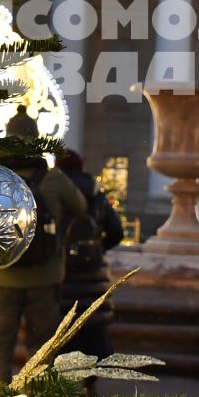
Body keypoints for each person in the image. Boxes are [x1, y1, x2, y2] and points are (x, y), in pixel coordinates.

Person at [0, 149, 87, 384]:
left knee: (0, 349)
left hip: (1, 277)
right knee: (41, 349)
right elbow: (80, 207)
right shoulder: (53, 178)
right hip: (44, 277)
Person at [56, 151, 124, 358]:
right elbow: (117, 232)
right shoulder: (97, 194)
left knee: (64, 326)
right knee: (92, 324)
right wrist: (97, 248)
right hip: (93, 273)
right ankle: (91, 380)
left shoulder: (55, 191)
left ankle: (63, 380)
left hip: (63, 272)